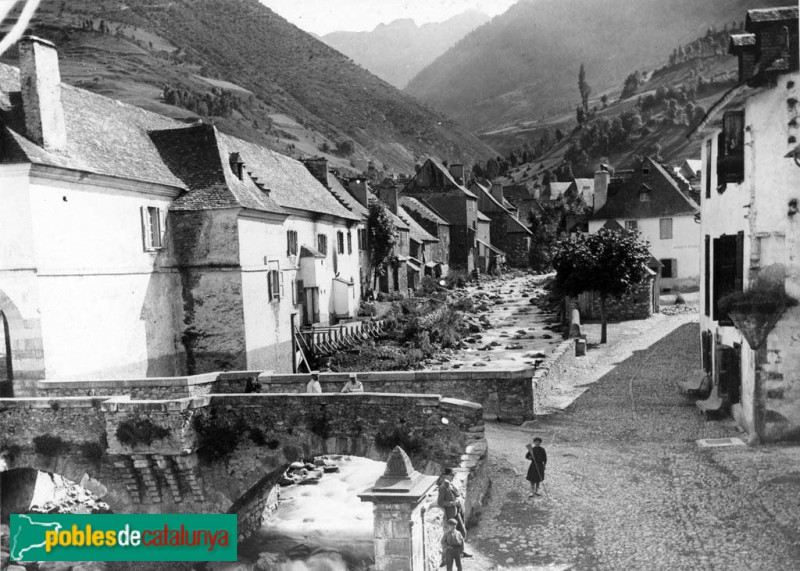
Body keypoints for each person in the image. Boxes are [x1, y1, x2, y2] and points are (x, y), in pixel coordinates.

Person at [437, 469, 472, 558]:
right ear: (445, 476)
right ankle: (457, 553)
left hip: (456, 511)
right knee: (455, 535)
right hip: (451, 514)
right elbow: (440, 502)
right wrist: (452, 503)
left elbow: (457, 494)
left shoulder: (450, 485)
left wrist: (458, 500)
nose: (452, 477)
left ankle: (461, 551)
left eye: (453, 475)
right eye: (451, 475)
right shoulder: (443, 487)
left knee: (462, 532)